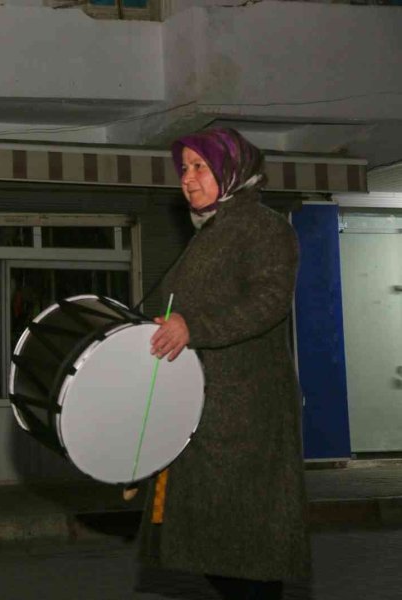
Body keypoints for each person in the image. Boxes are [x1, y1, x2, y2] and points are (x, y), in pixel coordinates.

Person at [138, 128, 310, 599]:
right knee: (216, 549)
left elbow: (270, 301)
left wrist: (194, 327)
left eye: (200, 167)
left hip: (246, 417)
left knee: (247, 552)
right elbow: (174, 302)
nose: (188, 179)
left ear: (233, 171)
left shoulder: (264, 226)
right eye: (184, 168)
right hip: (204, 414)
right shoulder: (209, 233)